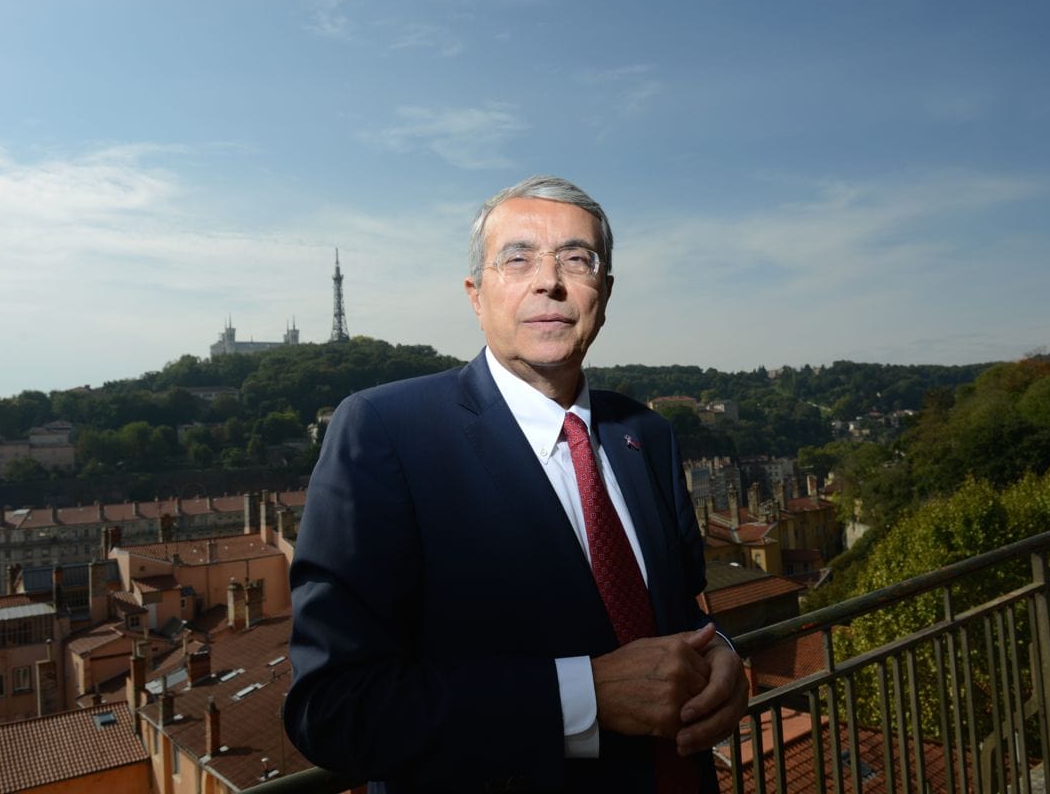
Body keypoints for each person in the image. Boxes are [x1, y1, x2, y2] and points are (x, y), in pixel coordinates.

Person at [284, 176, 749, 793]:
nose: (548, 281)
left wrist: (721, 652)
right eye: (518, 257)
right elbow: (335, 708)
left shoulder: (647, 435)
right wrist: (583, 699)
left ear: (603, 294)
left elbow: (679, 609)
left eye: (576, 260)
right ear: (476, 295)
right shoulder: (386, 432)